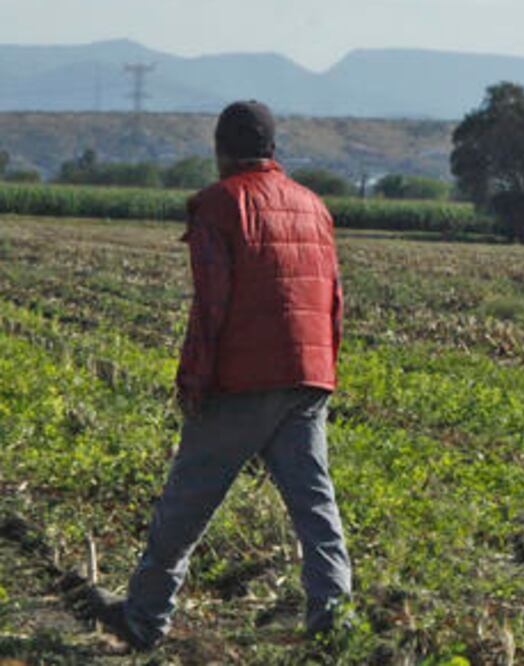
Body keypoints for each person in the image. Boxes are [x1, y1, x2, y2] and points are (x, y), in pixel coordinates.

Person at [87, 100, 353, 650]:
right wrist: (322, 372)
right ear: (273, 150)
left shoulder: (217, 204)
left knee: (186, 504)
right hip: (308, 375)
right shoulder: (313, 206)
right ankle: (335, 625)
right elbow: (333, 301)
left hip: (241, 381)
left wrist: (193, 383)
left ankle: (143, 618)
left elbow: (211, 306)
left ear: (220, 151)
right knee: (315, 506)